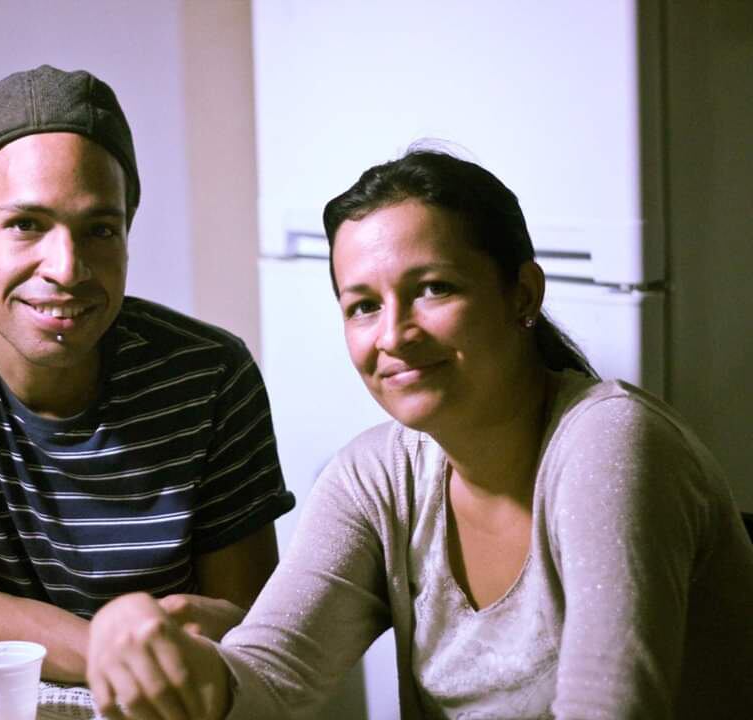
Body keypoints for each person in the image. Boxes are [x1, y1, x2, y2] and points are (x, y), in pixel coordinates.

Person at [86, 149, 753, 718]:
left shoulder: (609, 444)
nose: (394, 335)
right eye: (363, 306)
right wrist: (162, 652)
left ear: (523, 294)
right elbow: (271, 676)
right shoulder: (375, 478)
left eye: (433, 289)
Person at [0, 65, 294, 683]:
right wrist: (130, 653)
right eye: (26, 225)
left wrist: (221, 629)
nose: (67, 269)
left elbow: (249, 625)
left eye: (99, 229)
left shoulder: (210, 377)